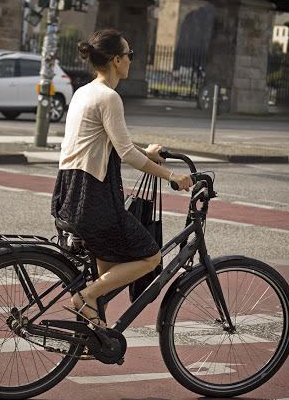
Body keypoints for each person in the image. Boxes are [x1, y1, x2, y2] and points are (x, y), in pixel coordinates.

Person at [51, 28, 192, 327]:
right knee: (150, 257)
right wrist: (172, 176)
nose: (131, 60)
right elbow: (126, 154)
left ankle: (90, 336)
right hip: (95, 199)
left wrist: (148, 152)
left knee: (110, 271)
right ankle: (84, 299)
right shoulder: (109, 97)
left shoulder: (84, 92)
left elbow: (113, 141)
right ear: (116, 60)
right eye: (129, 55)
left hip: (69, 193)